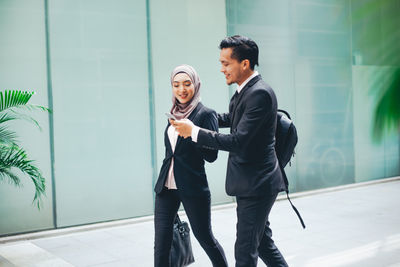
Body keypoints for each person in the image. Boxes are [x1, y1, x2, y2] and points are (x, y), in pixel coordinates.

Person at [173, 35, 289, 267]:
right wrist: (197, 113)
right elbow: (230, 119)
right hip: (252, 183)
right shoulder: (244, 91)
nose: (222, 69)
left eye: (226, 63)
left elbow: (238, 141)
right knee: (263, 244)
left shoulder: (259, 93)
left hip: (257, 184)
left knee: (245, 252)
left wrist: (194, 131)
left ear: (244, 64)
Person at [153, 64, 228, 267]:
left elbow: (211, 156)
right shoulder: (173, 114)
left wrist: (193, 132)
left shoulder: (206, 114)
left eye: (187, 84)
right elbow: (172, 153)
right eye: (176, 85)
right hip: (166, 188)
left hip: (193, 187)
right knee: (161, 244)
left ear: (195, 85)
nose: (181, 89)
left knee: (205, 238)